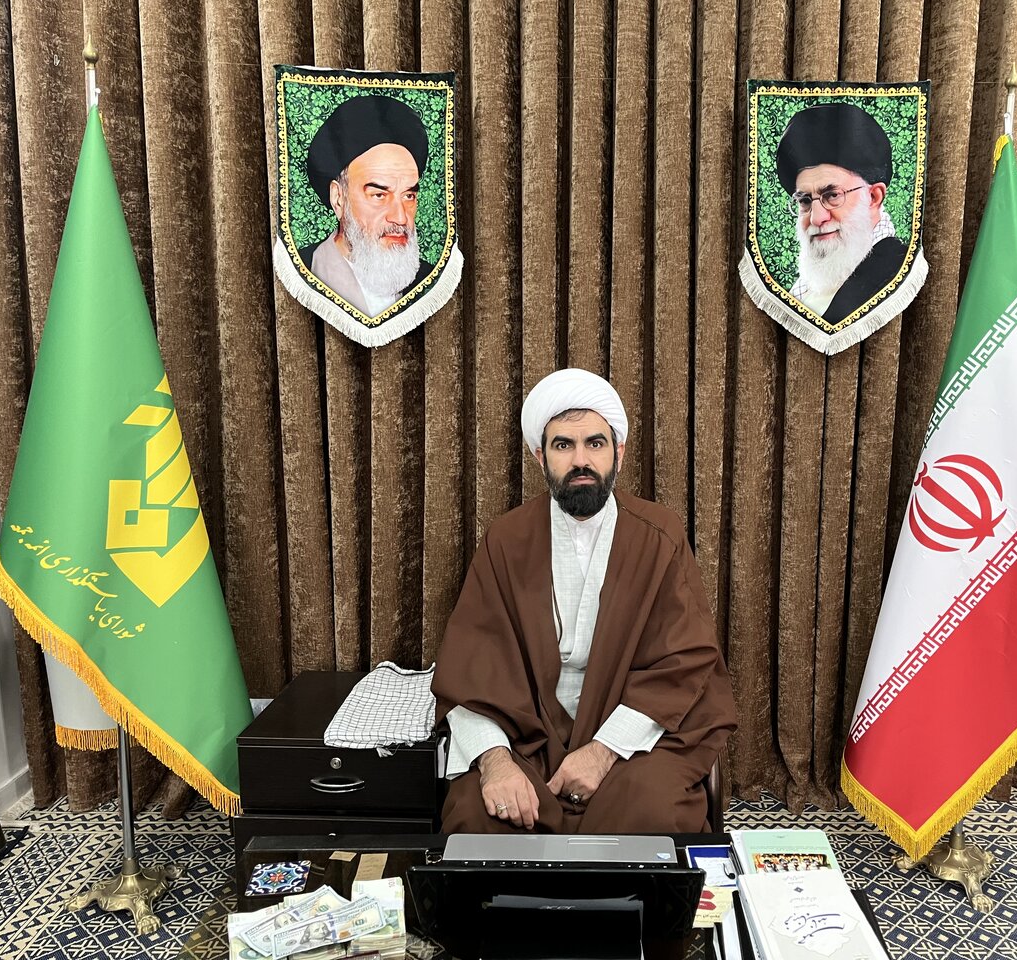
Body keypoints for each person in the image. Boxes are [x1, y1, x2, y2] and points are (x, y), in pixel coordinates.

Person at [432, 368, 736, 834]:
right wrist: (496, 763)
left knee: (650, 813)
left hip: (633, 735)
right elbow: (474, 667)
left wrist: (602, 751)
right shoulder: (506, 540)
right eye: (563, 445)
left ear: (619, 451)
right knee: (478, 816)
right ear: (541, 457)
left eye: (595, 443)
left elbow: (684, 660)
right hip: (528, 733)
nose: (580, 460)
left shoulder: (659, 535)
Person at [300, 95, 435, 316]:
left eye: (409, 196)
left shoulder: (431, 282)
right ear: (338, 198)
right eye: (379, 195)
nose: (400, 217)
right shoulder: (304, 272)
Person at [775, 103, 908, 324]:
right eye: (805, 201)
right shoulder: (805, 287)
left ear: (873, 197)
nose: (817, 218)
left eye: (832, 196)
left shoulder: (898, 272)